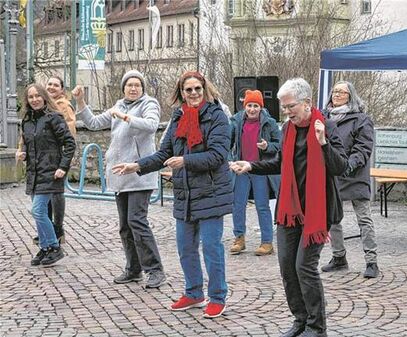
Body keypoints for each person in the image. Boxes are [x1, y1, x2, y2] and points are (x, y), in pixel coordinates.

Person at [232, 78, 347, 337]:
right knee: (287, 266)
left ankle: (317, 328)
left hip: (318, 210)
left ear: (307, 103)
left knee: (304, 267)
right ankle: (300, 320)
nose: (286, 112)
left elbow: (341, 167)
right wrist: (251, 165)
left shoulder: (326, 126)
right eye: (283, 108)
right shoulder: (288, 130)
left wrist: (323, 142)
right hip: (290, 210)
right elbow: (280, 162)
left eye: (290, 106)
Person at [112, 71, 233, 319]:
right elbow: (164, 152)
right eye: (188, 90)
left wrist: (185, 161)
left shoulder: (217, 116)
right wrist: (137, 165)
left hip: (211, 192)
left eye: (197, 88)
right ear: (181, 93)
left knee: (211, 247)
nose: (193, 94)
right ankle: (194, 292)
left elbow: (218, 155)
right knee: (185, 247)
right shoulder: (178, 118)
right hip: (185, 192)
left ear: (204, 89)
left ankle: (217, 297)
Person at [73, 70, 167, 288]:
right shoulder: (118, 105)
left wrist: (128, 118)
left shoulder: (149, 104)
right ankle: (133, 269)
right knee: (125, 226)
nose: (133, 88)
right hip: (119, 175)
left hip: (139, 173)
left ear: (142, 88)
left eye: (137, 85)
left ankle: (155, 270)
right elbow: (94, 123)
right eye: (129, 85)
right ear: (123, 88)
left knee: (137, 221)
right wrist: (81, 102)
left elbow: (152, 125)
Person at [319, 80, 379, 278]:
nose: (337, 95)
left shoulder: (361, 119)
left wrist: (348, 165)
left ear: (350, 96)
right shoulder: (323, 117)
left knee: (364, 219)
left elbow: (363, 148)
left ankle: (371, 261)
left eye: (342, 92)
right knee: (333, 218)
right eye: (335, 91)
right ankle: (338, 257)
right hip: (333, 174)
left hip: (354, 174)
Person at [16, 83, 76, 266]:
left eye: (37, 96)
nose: (34, 100)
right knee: (39, 212)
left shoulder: (54, 117)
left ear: (44, 97)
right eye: (31, 97)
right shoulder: (26, 121)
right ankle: (45, 248)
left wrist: (63, 167)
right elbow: (27, 143)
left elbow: (69, 143)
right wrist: (22, 153)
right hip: (34, 173)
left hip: (51, 172)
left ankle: (54, 246)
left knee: (38, 210)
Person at [228, 90, 281, 256]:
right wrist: (231, 161)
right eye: (249, 105)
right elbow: (226, 145)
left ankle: (267, 242)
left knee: (262, 205)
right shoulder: (236, 121)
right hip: (241, 169)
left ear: (261, 107)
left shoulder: (270, 123)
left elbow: (279, 144)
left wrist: (267, 147)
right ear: (245, 106)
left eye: (255, 106)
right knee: (238, 205)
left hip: (260, 169)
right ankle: (239, 238)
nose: (252, 109)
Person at [27, 76, 76, 246]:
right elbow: (27, 137)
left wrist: (63, 163)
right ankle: (47, 242)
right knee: (40, 209)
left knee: (52, 199)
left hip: (54, 163)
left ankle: (56, 233)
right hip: (37, 167)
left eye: (56, 85)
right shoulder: (29, 118)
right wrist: (22, 151)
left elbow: (69, 135)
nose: (52, 87)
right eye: (50, 84)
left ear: (62, 89)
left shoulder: (61, 109)